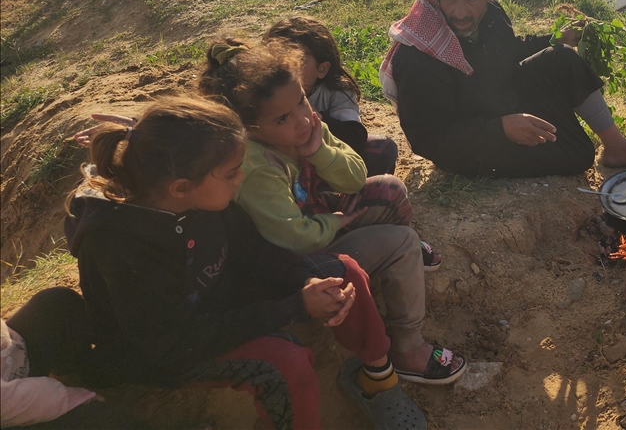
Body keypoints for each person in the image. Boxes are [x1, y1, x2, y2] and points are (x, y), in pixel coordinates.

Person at [65, 97, 426, 430]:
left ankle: (378, 382)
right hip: (167, 350)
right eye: (232, 173)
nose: (241, 179)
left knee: (343, 271)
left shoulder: (204, 202)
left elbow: (255, 253)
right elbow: (171, 342)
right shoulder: (119, 244)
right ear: (180, 187)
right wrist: (292, 307)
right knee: (285, 362)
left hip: (221, 304)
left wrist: (303, 282)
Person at [198, 40, 464, 386]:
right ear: (249, 129)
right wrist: (333, 222)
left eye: (301, 102)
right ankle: (409, 348)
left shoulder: (307, 126)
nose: (300, 119)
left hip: (316, 222)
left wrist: (319, 151)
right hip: (293, 263)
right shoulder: (257, 167)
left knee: (389, 190)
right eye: (282, 118)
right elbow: (289, 237)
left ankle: (397, 266)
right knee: (401, 241)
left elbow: (355, 176)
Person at [380, 0, 626, 178]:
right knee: (577, 154)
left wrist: (557, 39)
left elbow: (508, 50)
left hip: (501, 102)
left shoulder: (491, 15)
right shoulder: (417, 57)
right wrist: (501, 130)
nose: (459, 11)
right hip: (471, 146)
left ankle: (617, 147)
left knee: (562, 59)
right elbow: (430, 140)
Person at [263, 16, 399, 176]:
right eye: (274, 57)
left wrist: (316, 119)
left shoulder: (335, 90)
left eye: (296, 59)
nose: (284, 66)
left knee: (383, 149)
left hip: (329, 171)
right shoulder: (259, 94)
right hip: (282, 173)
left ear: (322, 69)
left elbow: (354, 138)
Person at [2, 289, 147, 429]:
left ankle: (75, 376)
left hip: (12, 361)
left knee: (56, 303)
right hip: (10, 407)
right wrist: (81, 399)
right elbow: (14, 401)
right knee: (101, 419)